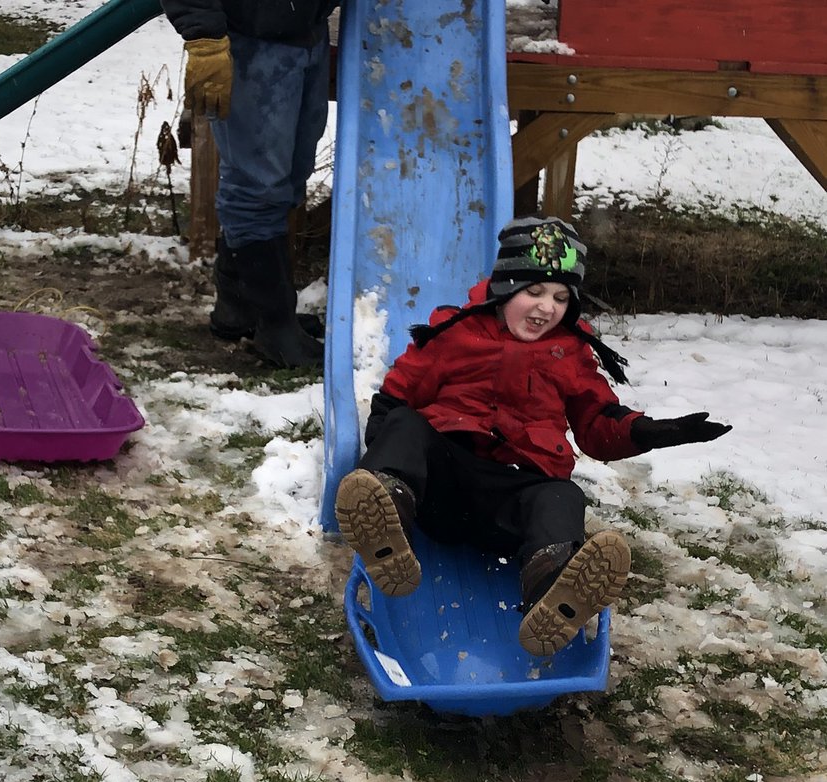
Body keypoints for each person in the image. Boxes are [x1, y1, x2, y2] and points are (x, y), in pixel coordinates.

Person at [335, 216, 732, 657]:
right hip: (441, 489)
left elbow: (598, 423)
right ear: (505, 286)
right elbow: (397, 396)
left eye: (562, 297)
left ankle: (552, 591)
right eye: (535, 291)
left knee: (561, 496)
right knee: (408, 424)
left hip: (512, 498)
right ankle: (387, 517)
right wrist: (384, 457)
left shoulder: (570, 351)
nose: (548, 308)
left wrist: (647, 432)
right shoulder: (455, 332)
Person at [160, 0, 341, 368]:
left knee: (290, 178)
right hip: (251, 41)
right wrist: (205, 36)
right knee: (257, 187)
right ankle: (275, 326)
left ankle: (240, 307)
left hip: (305, 31)